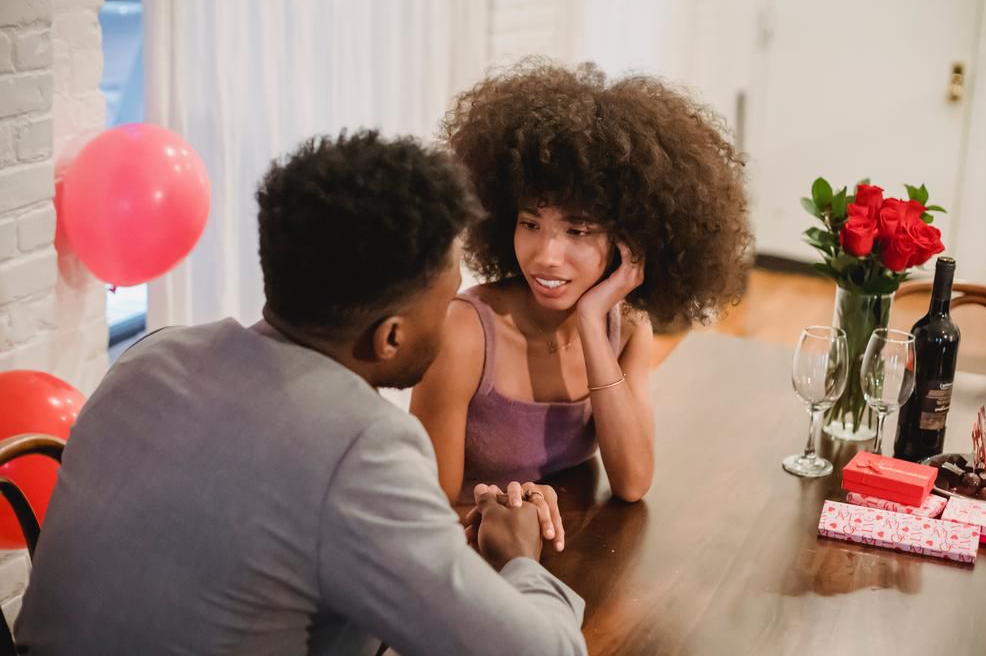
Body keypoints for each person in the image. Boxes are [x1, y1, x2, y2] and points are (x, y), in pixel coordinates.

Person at [15, 131, 587, 655]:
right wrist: (519, 558)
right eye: (446, 304)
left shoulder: (151, 355)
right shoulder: (363, 447)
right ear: (391, 337)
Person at [411, 60, 752, 535]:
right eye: (531, 224)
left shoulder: (625, 326)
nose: (547, 256)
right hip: (473, 558)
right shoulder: (464, 332)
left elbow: (632, 481)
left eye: (578, 230)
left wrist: (593, 322)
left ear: (626, 239)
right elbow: (426, 515)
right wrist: (508, 513)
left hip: (563, 550)